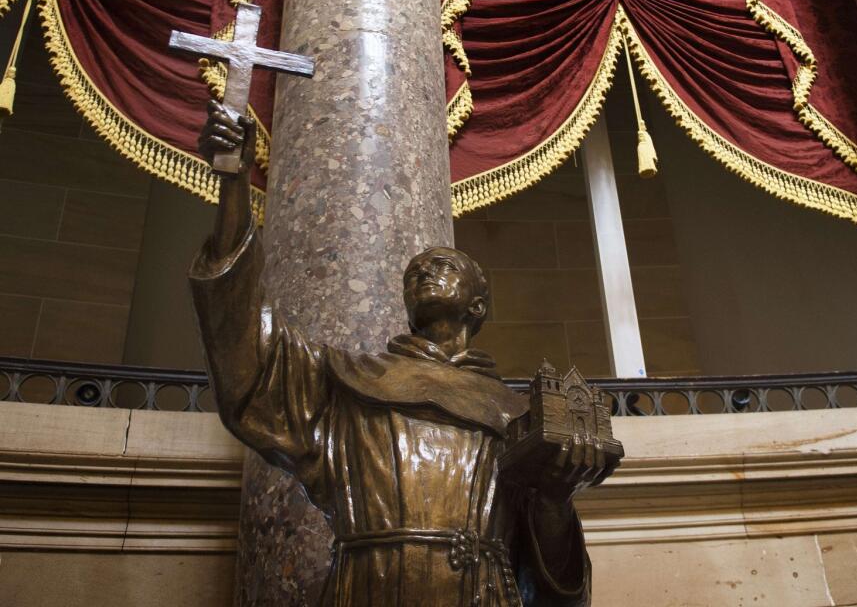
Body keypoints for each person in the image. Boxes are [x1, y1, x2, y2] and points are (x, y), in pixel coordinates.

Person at [190, 101, 614, 606]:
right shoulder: (346, 381)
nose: (423, 270)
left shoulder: (517, 417)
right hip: (370, 590)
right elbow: (250, 350)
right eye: (415, 270)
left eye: (445, 266)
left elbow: (558, 588)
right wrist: (234, 186)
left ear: (478, 307)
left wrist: (554, 501)